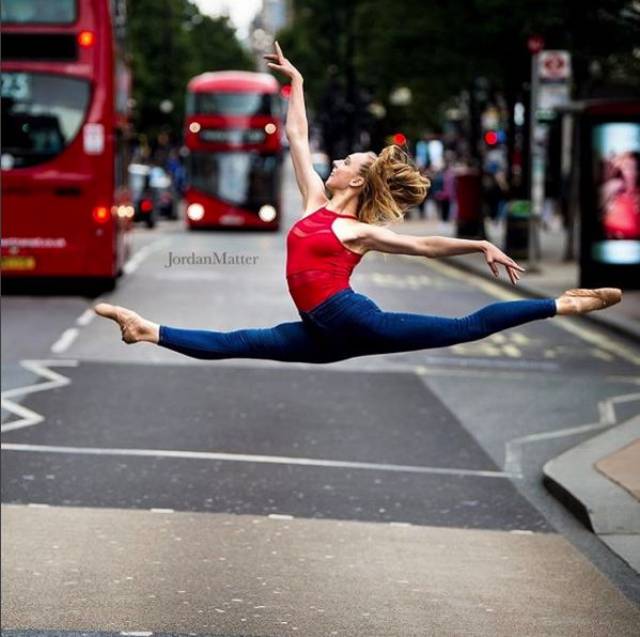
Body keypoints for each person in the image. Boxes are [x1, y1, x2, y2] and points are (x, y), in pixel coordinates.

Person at [94, 42, 622, 364]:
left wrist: (479, 240)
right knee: (239, 341)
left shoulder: (353, 230)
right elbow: (297, 136)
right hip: (325, 333)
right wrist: (296, 82)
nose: (338, 160)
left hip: (352, 321)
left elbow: (427, 244)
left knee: (463, 328)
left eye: (347, 159)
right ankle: (146, 330)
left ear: (355, 179)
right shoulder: (312, 202)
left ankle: (565, 303)